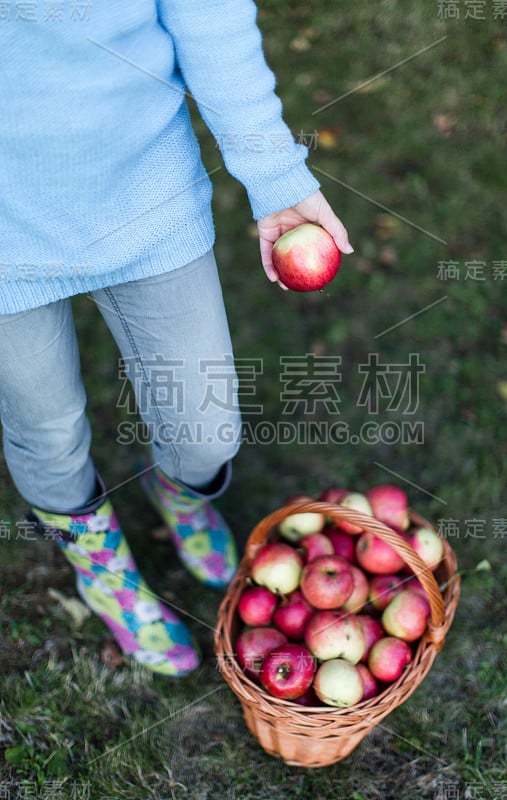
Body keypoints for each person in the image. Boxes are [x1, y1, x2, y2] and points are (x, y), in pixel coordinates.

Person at [0, 0, 352, 677]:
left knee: (205, 430)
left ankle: (181, 495)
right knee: (44, 430)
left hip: (142, 187)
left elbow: (209, 14)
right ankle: (103, 572)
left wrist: (272, 172)